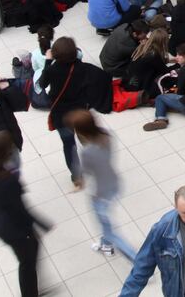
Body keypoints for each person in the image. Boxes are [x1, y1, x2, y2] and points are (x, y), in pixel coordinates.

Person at [0, 131, 51, 297]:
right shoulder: (8, 180)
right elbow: (19, 209)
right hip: (14, 229)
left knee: (28, 259)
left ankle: (32, 291)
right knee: (27, 263)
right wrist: (40, 224)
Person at [65, 109, 137, 260]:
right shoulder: (106, 135)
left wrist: (75, 158)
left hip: (100, 194)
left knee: (110, 229)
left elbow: (85, 172)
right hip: (114, 183)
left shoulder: (88, 152)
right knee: (105, 223)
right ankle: (106, 245)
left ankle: (139, 262)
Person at [39, 36, 98, 188]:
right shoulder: (81, 67)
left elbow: (41, 84)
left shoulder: (53, 70)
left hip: (62, 114)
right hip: (80, 110)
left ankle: (77, 176)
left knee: (69, 145)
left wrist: (47, 61)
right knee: (87, 139)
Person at [122, 28, 173, 99]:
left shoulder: (143, 47)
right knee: (169, 80)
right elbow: (165, 71)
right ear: (163, 42)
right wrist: (178, 65)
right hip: (137, 88)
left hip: (128, 82)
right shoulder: (154, 55)